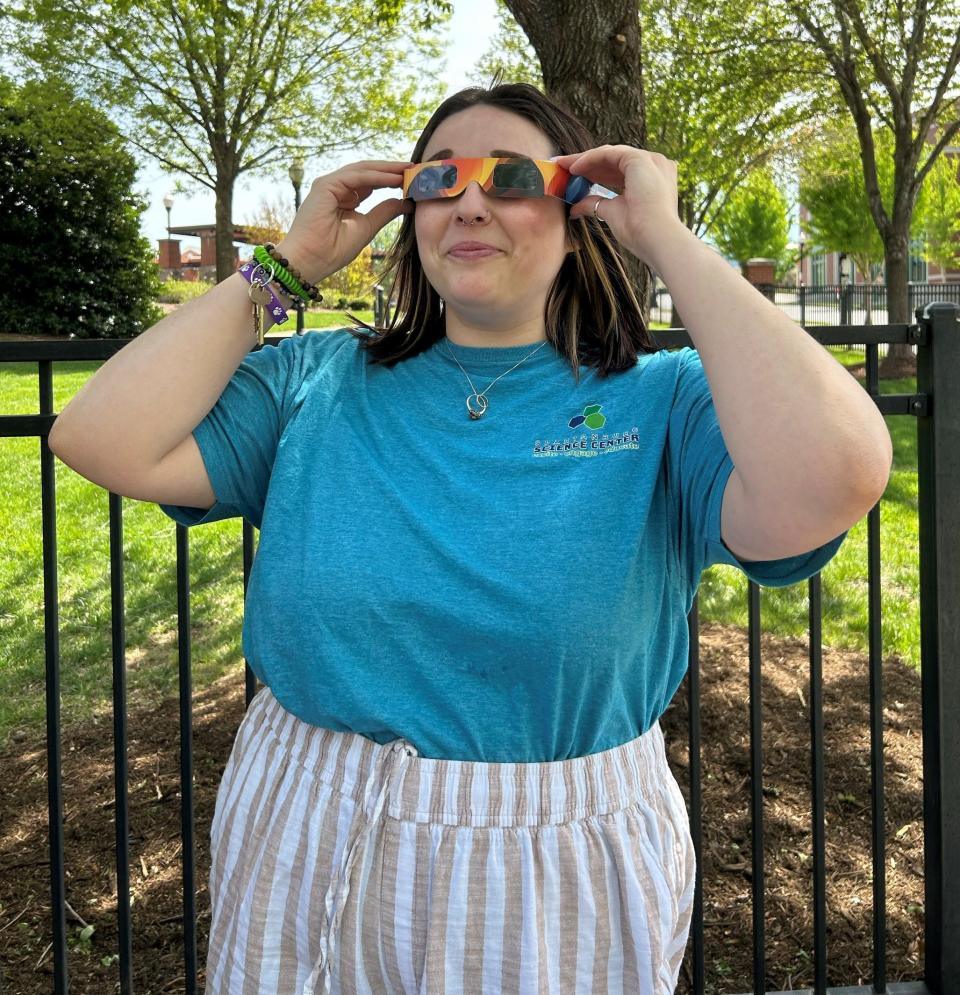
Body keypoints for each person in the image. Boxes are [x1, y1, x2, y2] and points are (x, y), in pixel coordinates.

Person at [48, 82, 892, 995]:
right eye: (439, 178)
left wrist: (667, 238)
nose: (471, 200)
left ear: (579, 214)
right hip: (302, 830)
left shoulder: (667, 400)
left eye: (514, 176)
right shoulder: (316, 382)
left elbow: (838, 474)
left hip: (561, 869)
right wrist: (287, 264)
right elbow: (99, 437)